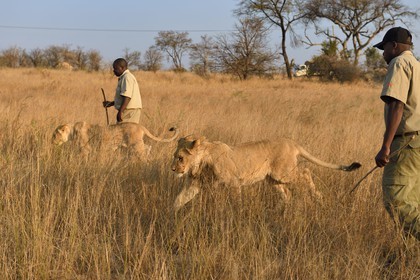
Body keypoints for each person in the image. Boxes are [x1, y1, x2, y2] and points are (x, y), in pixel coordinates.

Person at [374, 27, 420, 240]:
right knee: (413, 201)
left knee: (396, 201)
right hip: (417, 142)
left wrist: (386, 146)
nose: (383, 53)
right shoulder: (417, 65)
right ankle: (409, 260)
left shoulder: (399, 63)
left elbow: (397, 105)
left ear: (394, 46)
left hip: (405, 145)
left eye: (384, 48)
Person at [103, 58, 142, 124]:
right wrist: (111, 103)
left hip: (129, 111)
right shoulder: (124, 77)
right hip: (128, 110)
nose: (114, 71)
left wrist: (120, 111)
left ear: (123, 68)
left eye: (116, 69)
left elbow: (127, 96)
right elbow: (124, 96)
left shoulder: (127, 77)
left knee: (124, 132)